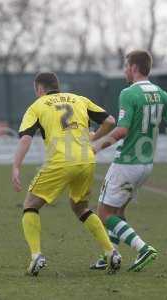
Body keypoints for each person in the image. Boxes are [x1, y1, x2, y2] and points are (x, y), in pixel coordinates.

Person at [89, 50, 167, 272]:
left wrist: (96, 146)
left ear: (133, 68)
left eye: (126, 66)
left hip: (127, 163)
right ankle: (109, 255)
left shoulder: (129, 94)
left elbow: (122, 130)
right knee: (118, 212)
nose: (124, 70)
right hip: (146, 165)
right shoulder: (162, 94)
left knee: (104, 214)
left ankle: (143, 249)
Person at [12, 72, 121, 276]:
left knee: (30, 205)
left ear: (39, 89)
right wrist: (94, 138)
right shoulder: (79, 99)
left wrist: (16, 166)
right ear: (57, 86)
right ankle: (111, 252)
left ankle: (36, 256)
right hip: (86, 159)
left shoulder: (37, 106)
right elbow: (110, 120)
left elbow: (25, 139)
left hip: (61, 161)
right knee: (80, 207)